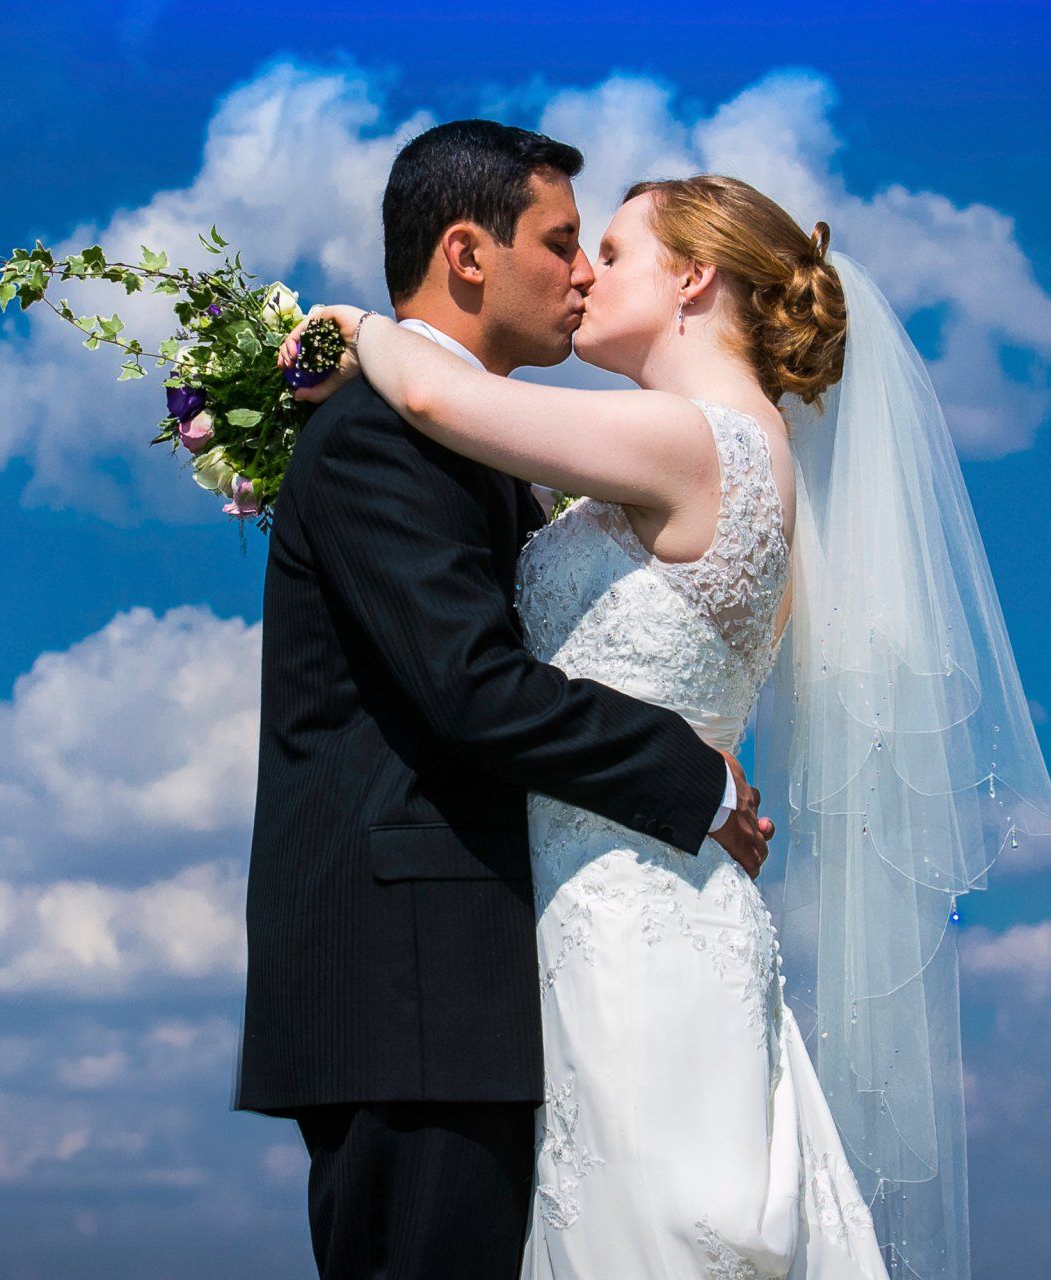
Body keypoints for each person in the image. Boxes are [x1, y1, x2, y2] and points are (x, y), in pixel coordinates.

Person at [280, 169, 1051, 1280]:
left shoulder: (690, 439)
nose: (587, 273)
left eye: (615, 249)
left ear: (693, 277)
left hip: (625, 920)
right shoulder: (733, 453)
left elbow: (443, 403)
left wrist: (363, 330)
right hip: (658, 900)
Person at [233, 122, 775, 1280]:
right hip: (409, 982)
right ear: (470, 255)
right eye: (564, 241)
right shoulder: (383, 432)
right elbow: (472, 688)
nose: (583, 273)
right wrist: (696, 773)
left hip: (483, 983)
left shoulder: (476, 441)